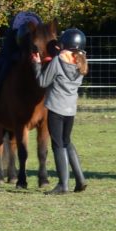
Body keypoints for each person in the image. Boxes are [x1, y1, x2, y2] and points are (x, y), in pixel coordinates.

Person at [31, 28, 88, 195]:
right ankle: (80, 179)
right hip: (71, 109)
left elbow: (42, 81)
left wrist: (36, 64)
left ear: (65, 45)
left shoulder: (57, 61)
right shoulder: (82, 62)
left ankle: (63, 185)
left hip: (56, 108)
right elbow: (68, 58)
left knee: (58, 145)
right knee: (67, 142)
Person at [0, 11, 42, 122]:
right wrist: (18, 57)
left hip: (33, 57)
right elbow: (7, 51)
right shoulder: (13, 32)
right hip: (11, 55)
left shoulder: (38, 31)